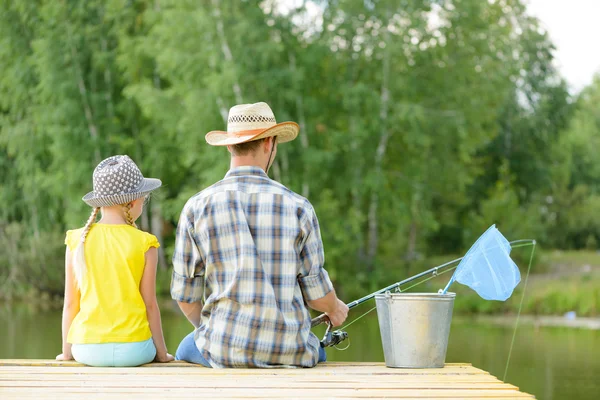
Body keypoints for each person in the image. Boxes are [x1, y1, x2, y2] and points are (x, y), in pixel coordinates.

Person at [171, 102, 349, 368]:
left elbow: (185, 296)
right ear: (269, 144)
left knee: (187, 346)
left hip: (222, 350)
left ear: (230, 145)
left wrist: (214, 331)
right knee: (316, 350)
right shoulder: (298, 207)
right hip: (291, 351)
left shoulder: (196, 207)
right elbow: (317, 297)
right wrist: (334, 309)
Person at [56, 155, 174, 367]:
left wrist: (67, 353)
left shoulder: (77, 240)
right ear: (132, 202)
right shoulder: (146, 243)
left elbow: (71, 303)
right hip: (135, 350)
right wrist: (162, 354)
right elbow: (150, 306)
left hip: (86, 349)